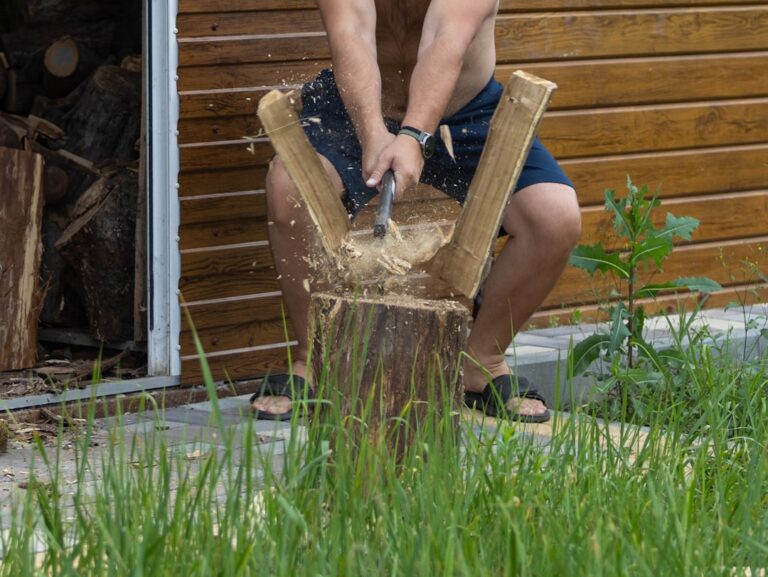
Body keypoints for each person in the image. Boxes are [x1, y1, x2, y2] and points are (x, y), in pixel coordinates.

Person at [251, 0, 581, 422]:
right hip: (355, 106)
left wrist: (410, 135)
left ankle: (480, 364)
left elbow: (446, 38)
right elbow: (350, 31)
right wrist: (373, 132)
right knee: (288, 187)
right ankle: (310, 361)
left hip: (468, 111)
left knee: (553, 216)